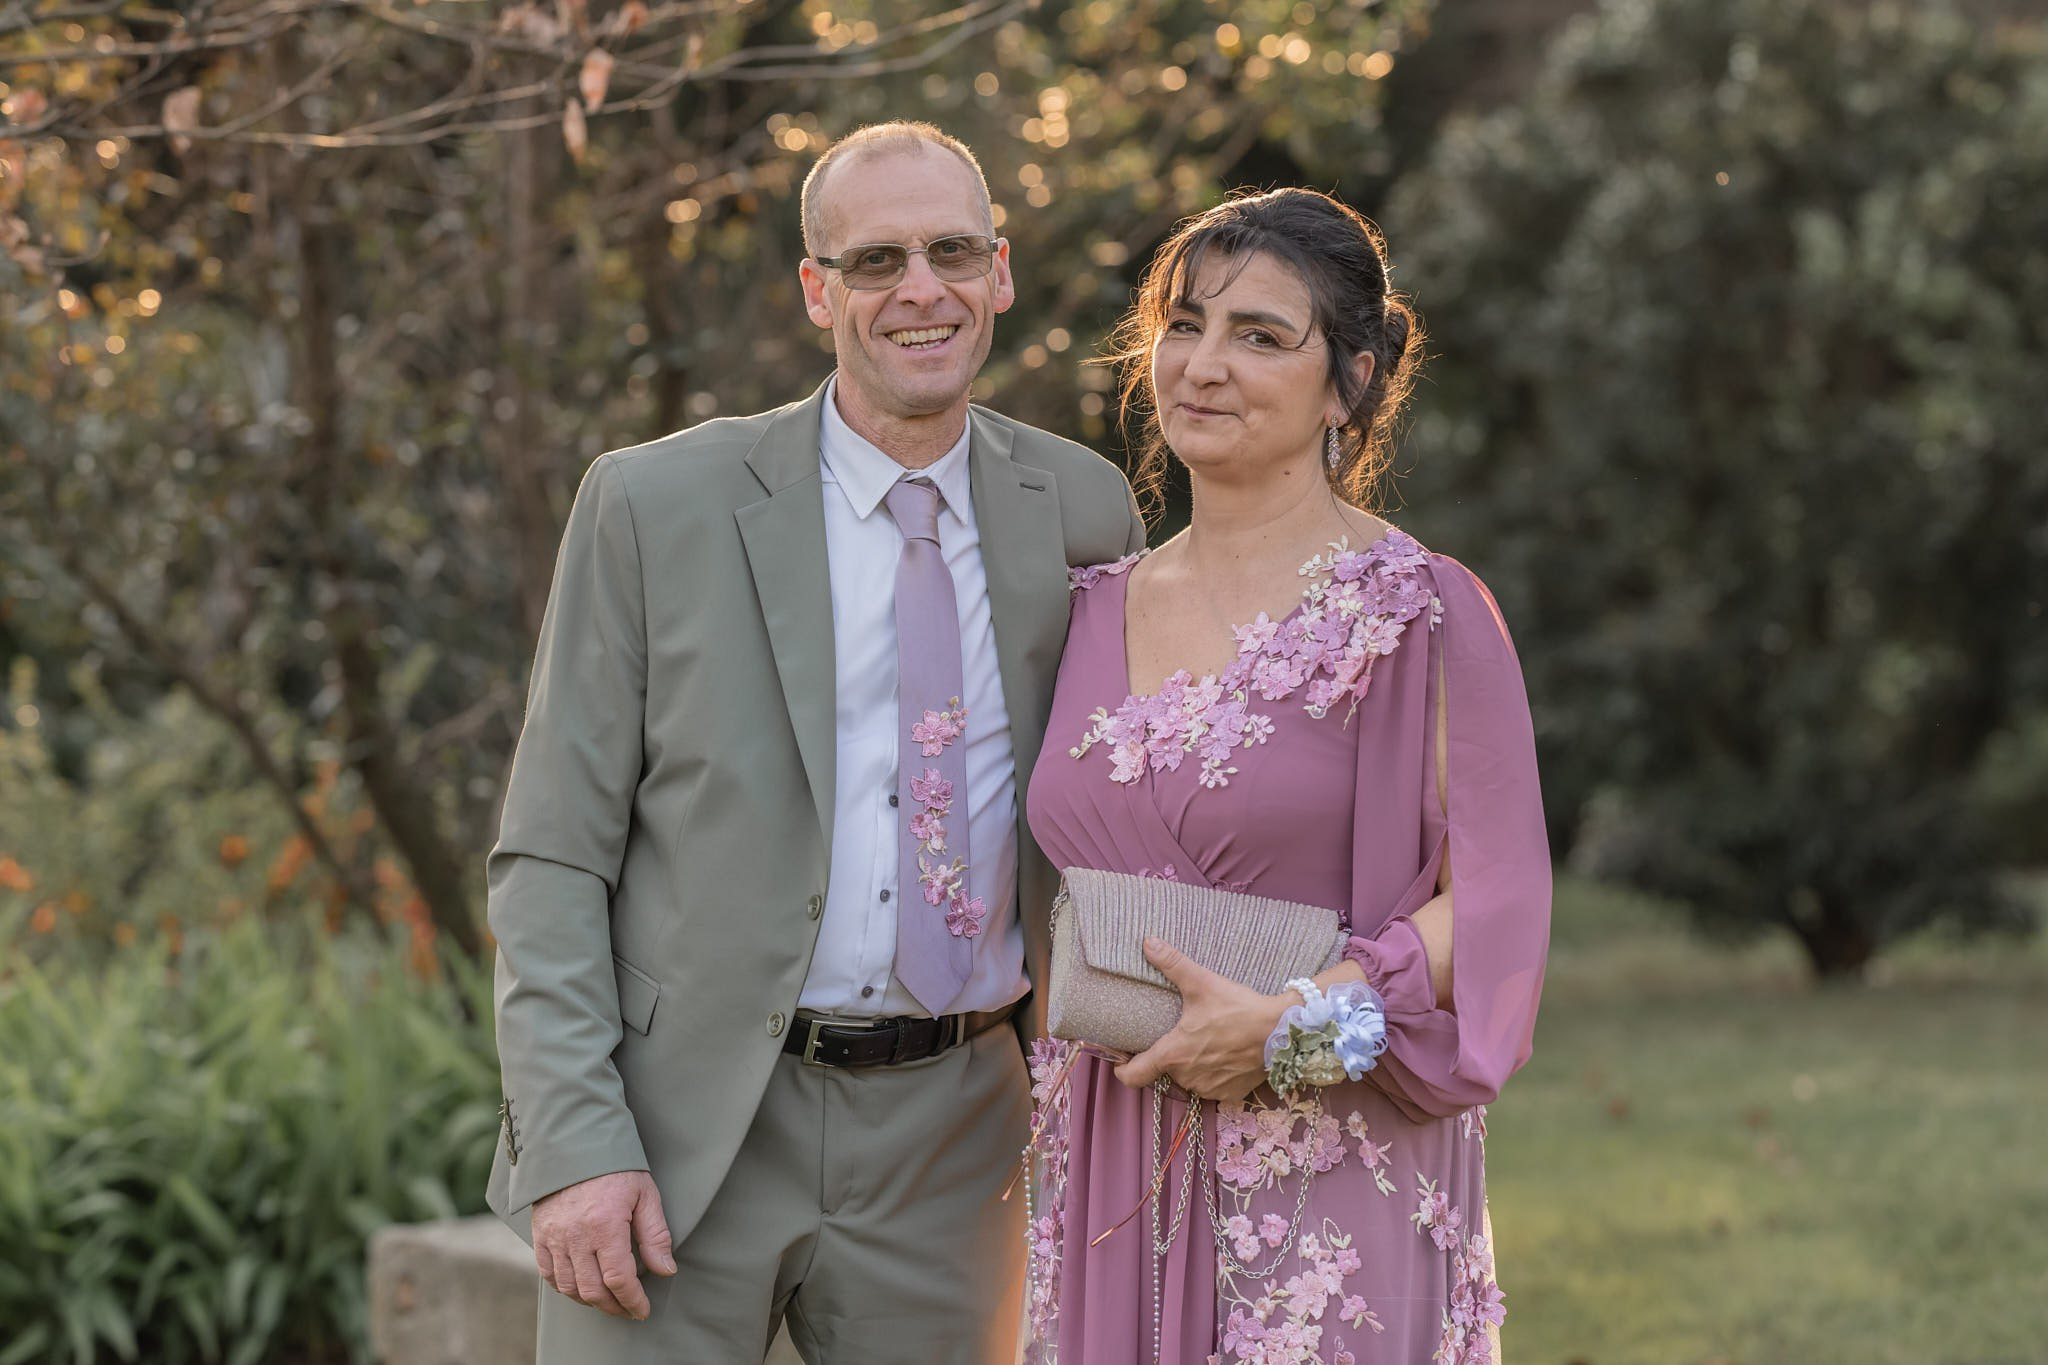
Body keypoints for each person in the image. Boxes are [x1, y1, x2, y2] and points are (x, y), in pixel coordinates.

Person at [484, 120, 1145, 1364]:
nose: (921, 291)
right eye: (876, 261)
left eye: (952, 252)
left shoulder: (1080, 508)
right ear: (815, 290)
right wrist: (572, 1145)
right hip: (681, 1128)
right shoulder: (651, 506)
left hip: (957, 1142)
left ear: (999, 272)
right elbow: (552, 854)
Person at [1021, 188, 1551, 1364]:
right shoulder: (1084, 607)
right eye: (1184, 324)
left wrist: (1290, 1035)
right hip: (1110, 1154)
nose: (1203, 364)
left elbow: (1499, 905)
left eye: (1259, 335)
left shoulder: (1418, 611)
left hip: (1329, 1175)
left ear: (1347, 383)